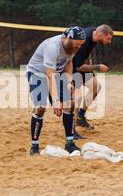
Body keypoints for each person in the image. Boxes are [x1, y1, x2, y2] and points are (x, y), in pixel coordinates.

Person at [26, 26, 86, 156]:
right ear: (67, 38)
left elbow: (69, 63)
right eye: (77, 44)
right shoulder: (52, 47)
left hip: (57, 74)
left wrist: (69, 81)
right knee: (41, 107)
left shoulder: (72, 47)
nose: (79, 47)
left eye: (81, 45)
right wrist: (56, 100)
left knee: (69, 105)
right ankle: (34, 146)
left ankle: (70, 143)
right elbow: (50, 75)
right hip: (38, 74)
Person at [72, 25, 113, 131]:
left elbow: (86, 54)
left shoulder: (94, 34)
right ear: (100, 35)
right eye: (108, 38)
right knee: (77, 96)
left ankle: (80, 116)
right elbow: (79, 66)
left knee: (96, 86)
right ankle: (71, 130)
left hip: (80, 64)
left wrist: (89, 61)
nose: (109, 42)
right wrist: (98, 67)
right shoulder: (84, 41)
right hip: (71, 66)